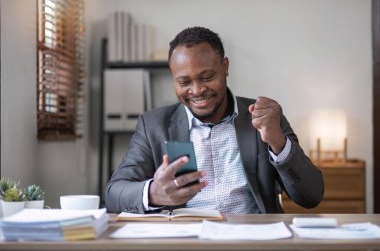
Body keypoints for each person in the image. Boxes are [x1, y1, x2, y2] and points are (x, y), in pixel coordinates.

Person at [105, 26, 324, 214]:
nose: (197, 90)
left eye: (207, 77)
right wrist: (153, 193)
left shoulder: (263, 117)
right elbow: (114, 193)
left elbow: (311, 196)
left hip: (252, 239)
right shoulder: (154, 125)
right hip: (186, 242)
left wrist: (278, 142)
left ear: (225, 67)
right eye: (184, 81)